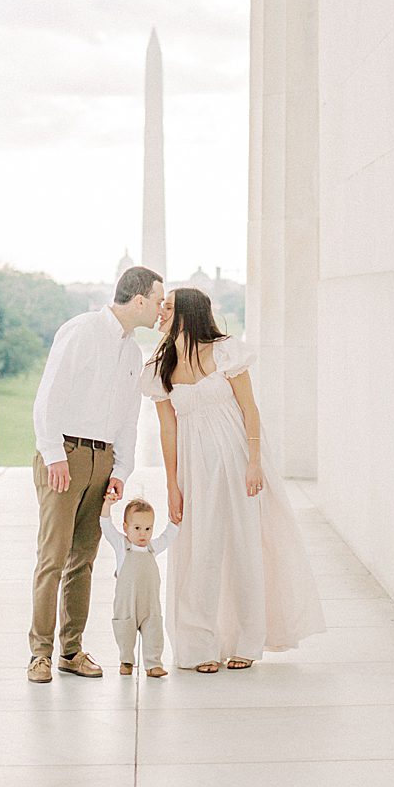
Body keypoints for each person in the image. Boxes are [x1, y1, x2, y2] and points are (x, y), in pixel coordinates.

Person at [141, 287, 325, 672]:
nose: (160, 311)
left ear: (188, 313)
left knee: (243, 547)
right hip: (195, 470)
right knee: (199, 552)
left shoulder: (226, 352)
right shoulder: (160, 367)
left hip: (238, 461)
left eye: (168, 307)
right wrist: (172, 485)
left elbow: (249, 409)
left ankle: (246, 639)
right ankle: (198, 645)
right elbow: (168, 431)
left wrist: (254, 461)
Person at [27, 265, 164, 683]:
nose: (160, 309)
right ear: (138, 300)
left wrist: (121, 468)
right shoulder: (81, 331)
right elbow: (49, 394)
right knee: (53, 558)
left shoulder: (131, 353)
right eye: (158, 301)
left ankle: (71, 651)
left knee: (83, 560)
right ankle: (40, 655)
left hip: (102, 462)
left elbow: (127, 417)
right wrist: (54, 454)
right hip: (64, 454)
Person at [99, 495, 179, 677]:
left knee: (154, 631)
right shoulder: (122, 546)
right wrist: (107, 505)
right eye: (137, 528)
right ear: (125, 528)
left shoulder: (152, 548)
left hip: (149, 604)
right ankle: (126, 660)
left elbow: (169, 535)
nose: (143, 534)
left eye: (148, 529)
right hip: (126, 604)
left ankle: (153, 664)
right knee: (125, 632)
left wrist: (175, 518)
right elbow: (106, 526)